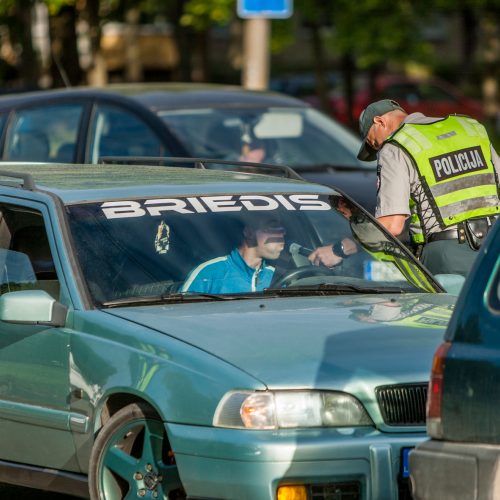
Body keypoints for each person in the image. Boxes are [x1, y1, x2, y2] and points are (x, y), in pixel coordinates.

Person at [314, 99, 500, 277]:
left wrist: (340, 249)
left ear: (380, 121)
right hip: (494, 245)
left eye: (373, 142)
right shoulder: (470, 128)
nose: (378, 149)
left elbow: (392, 225)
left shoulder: (395, 147)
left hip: (447, 258)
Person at [181, 215, 285, 294]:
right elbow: (181, 315)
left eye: (282, 229)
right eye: (273, 227)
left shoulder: (278, 278)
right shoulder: (207, 273)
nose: (282, 234)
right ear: (249, 232)